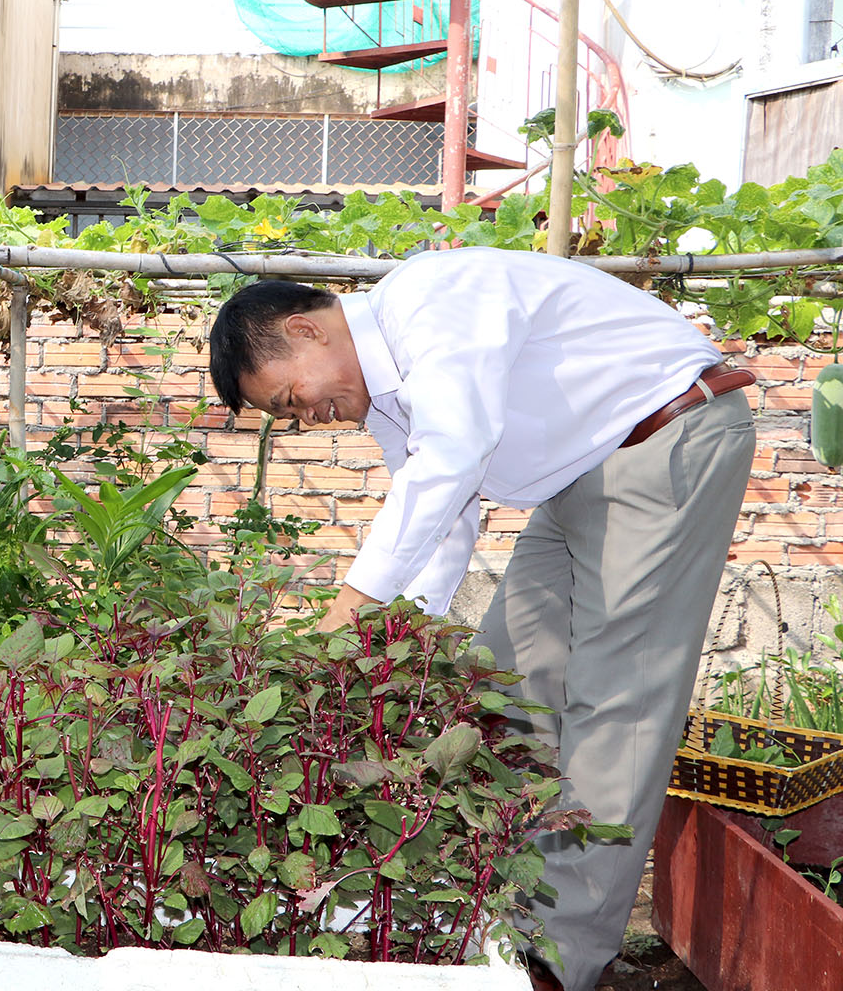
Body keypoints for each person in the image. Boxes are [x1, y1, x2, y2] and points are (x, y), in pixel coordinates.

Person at [207, 246, 755, 991]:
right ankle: (495, 912)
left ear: (304, 332)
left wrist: (347, 610)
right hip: (581, 477)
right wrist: (393, 641)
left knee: (614, 706)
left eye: (288, 400)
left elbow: (454, 460)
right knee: (499, 689)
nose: (303, 420)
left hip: (666, 439)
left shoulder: (433, 298)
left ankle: (556, 962)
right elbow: (444, 520)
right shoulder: (393, 397)